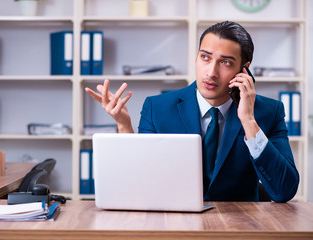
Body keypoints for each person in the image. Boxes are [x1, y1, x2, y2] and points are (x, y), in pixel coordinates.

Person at [85, 21, 299, 202]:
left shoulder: (269, 112)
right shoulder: (157, 108)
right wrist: (124, 126)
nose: (211, 72)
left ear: (244, 69)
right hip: (173, 223)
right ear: (197, 57)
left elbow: (284, 191)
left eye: (225, 62)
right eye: (205, 57)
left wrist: (248, 121)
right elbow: (139, 181)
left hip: (236, 226)